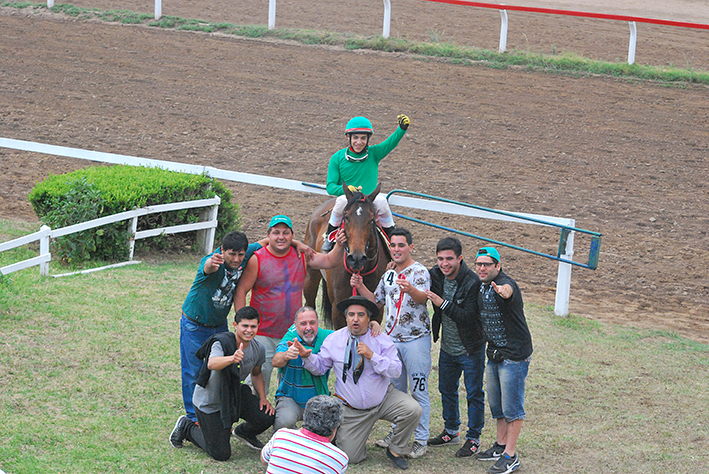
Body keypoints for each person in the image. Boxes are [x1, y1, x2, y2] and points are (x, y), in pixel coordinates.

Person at [180, 230, 311, 422]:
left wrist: (297, 244)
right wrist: (211, 263)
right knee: (194, 370)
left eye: (240, 254)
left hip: (219, 324)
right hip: (195, 323)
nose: (236, 258)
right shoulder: (213, 260)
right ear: (222, 250)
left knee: (223, 369)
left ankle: (218, 411)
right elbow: (207, 267)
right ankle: (193, 419)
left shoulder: (245, 253)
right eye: (231, 254)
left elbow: (268, 240)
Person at [293, 295, 422, 470]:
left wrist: (372, 356)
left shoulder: (380, 339)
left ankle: (396, 450)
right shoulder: (334, 340)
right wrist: (307, 357)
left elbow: (396, 370)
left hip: (383, 399)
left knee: (413, 409)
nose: (355, 319)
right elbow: (320, 367)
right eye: (351, 314)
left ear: (369, 319)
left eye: (361, 315)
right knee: (351, 457)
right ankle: (342, 433)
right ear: (345, 317)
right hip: (352, 409)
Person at [235, 215, 346, 396]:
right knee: (257, 381)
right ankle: (254, 420)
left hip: (291, 333)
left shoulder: (301, 255)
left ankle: (283, 416)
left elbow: (329, 261)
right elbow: (241, 290)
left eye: (286, 233)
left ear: (292, 236)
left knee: (287, 384)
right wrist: (242, 324)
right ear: (268, 235)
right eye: (276, 232)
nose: (281, 237)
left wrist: (340, 244)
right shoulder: (258, 259)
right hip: (262, 333)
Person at [351, 227, 431, 459]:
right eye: (393, 245)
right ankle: (397, 434)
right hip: (392, 340)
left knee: (419, 391)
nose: (396, 250)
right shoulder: (388, 275)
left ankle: (421, 439)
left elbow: (421, 299)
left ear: (410, 247)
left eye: (401, 245)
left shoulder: (419, 272)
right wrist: (359, 284)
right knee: (396, 391)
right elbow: (376, 301)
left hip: (416, 340)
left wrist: (412, 290)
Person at [169, 306, 275, 460]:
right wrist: (232, 358)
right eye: (245, 326)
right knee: (221, 454)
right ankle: (187, 427)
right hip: (209, 403)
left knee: (267, 416)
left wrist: (263, 397)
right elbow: (212, 363)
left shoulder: (258, 348)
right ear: (235, 325)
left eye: (253, 326)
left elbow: (256, 373)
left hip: (233, 394)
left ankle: (244, 432)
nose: (249, 330)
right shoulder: (222, 342)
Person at [425, 236, 486, 458]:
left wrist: (443, 304)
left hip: (471, 348)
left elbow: (468, 317)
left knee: (473, 394)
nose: (444, 264)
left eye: (449, 259)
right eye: (440, 259)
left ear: (460, 258)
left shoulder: (472, 282)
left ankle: (474, 439)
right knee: (446, 389)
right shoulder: (435, 274)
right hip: (448, 348)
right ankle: (451, 431)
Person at [473, 247, 533, 474]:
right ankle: (500, 445)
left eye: (487, 264)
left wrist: (503, 292)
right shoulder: (481, 283)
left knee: (512, 408)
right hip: (495, 353)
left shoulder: (506, 284)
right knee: (497, 405)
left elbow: (508, 291)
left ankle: (510, 456)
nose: (482, 268)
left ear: (497, 266)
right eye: (479, 264)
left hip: (514, 355)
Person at [321, 114, 410, 251]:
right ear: (348, 137)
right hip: (349, 200)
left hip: (369, 201)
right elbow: (330, 187)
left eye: (363, 138)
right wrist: (346, 189)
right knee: (341, 202)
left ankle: (391, 240)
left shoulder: (374, 153)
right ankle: (328, 237)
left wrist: (401, 129)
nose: (359, 142)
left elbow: (390, 143)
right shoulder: (337, 158)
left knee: (381, 202)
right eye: (355, 138)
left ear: (368, 139)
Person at [271, 306, 333, 431]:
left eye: (312, 323)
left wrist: (372, 324)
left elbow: (350, 334)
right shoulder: (290, 338)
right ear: (295, 325)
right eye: (303, 324)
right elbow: (276, 361)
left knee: (328, 429)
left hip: (318, 398)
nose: (308, 328)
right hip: (291, 397)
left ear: (318, 323)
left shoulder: (329, 337)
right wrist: (286, 355)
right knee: (283, 423)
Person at [261, 395, 349, 474]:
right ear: (334, 429)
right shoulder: (339, 459)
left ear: (305, 417)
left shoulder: (281, 436)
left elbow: (264, 460)